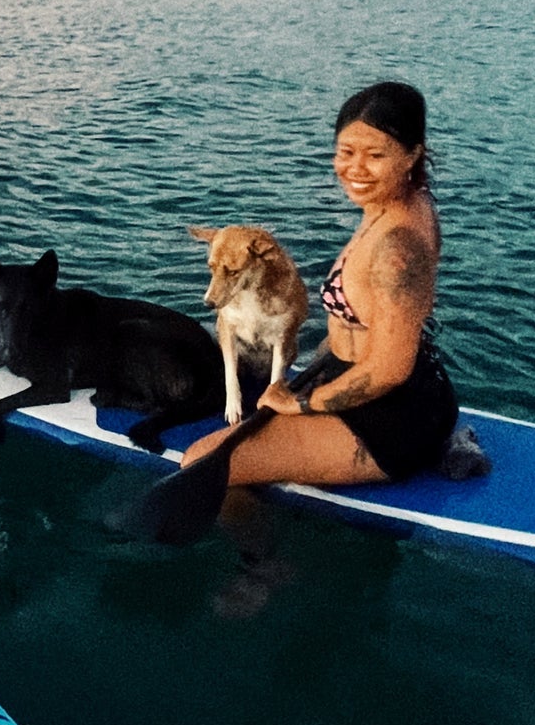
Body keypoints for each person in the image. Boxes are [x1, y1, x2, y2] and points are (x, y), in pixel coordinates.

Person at [181, 81, 458, 487]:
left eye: (375, 155)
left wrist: (302, 402)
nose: (356, 169)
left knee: (202, 463)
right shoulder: (399, 201)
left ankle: (266, 554)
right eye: (346, 152)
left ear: (412, 155)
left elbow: (388, 369)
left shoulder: (398, 247)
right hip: (374, 385)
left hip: (389, 417)